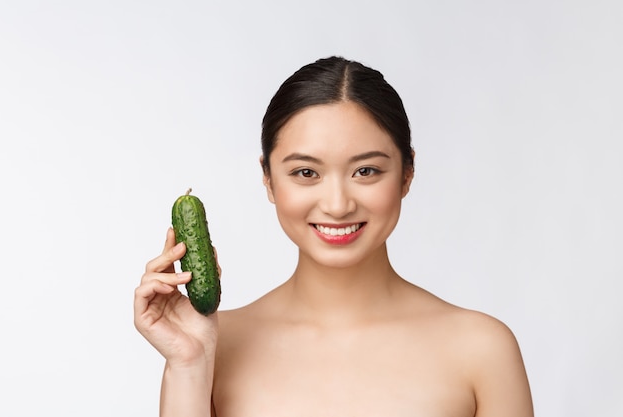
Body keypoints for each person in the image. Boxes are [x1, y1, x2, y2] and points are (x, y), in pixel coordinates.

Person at [134, 56, 534, 417]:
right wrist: (189, 365)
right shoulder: (213, 347)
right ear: (269, 180)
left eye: (366, 171)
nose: (338, 204)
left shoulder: (482, 350)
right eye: (306, 173)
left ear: (407, 174)